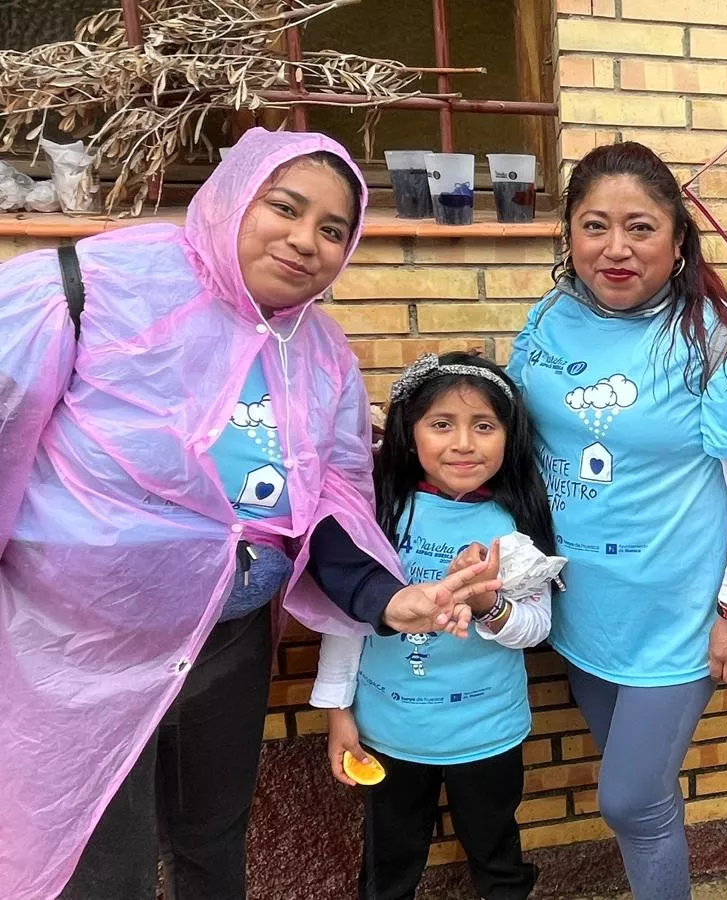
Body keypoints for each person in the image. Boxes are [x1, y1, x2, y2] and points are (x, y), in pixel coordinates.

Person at [0, 128, 498, 900]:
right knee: (99, 865)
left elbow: (330, 500)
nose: (305, 241)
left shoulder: (321, 352)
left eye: (332, 230)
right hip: (81, 647)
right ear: (232, 199)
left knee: (211, 839)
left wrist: (390, 599)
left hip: (228, 643)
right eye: (285, 208)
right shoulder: (93, 289)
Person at [507, 141, 727, 899]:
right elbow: (513, 429)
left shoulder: (718, 339)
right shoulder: (550, 318)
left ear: (677, 240)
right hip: (580, 604)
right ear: (569, 234)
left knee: (629, 799)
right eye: (594, 225)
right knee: (646, 795)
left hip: (677, 615)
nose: (616, 248)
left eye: (640, 227)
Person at [312, 352, 553, 900]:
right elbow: (347, 619)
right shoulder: (379, 513)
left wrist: (490, 605)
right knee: (388, 867)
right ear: (409, 433)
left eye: (484, 426)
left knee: (498, 859)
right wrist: (337, 713)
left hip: (488, 731)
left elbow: (537, 626)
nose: (463, 444)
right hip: (389, 731)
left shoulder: (515, 518)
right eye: (441, 424)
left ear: (509, 436)